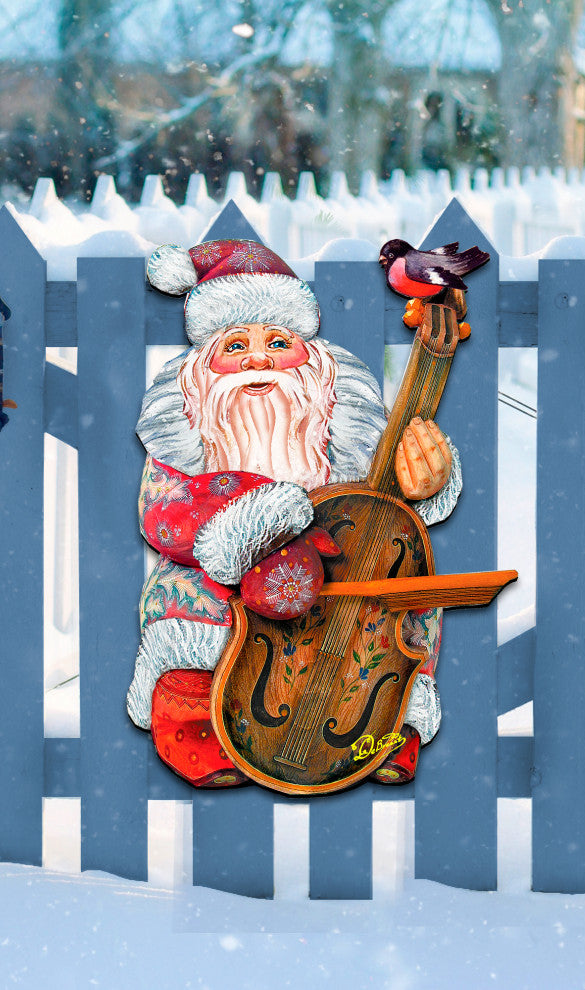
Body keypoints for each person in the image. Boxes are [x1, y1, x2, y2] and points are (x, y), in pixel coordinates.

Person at [126, 239, 462, 787]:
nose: (257, 359)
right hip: (225, 589)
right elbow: (164, 515)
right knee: (190, 615)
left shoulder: (347, 440)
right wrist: (243, 529)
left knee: (397, 597)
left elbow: (391, 512)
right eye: (234, 346)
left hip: (338, 586)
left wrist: (423, 483)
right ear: (198, 378)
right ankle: (205, 736)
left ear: (319, 370)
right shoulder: (183, 447)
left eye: (278, 342)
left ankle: (380, 727)